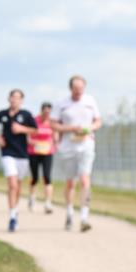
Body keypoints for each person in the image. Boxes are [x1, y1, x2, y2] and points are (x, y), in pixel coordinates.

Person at [53, 76, 101, 232]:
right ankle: (69, 212)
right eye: (76, 88)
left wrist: (90, 128)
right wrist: (71, 128)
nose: (79, 91)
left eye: (81, 88)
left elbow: (98, 121)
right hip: (68, 146)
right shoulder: (61, 103)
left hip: (86, 144)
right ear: (71, 88)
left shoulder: (90, 101)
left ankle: (84, 217)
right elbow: (53, 124)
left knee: (85, 179)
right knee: (70, 182)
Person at [0, 89, 37, 232]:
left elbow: (35, 130)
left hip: (22, 154)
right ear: (8, 99)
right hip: (7, 153)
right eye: (12, 97)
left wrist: (22, 129)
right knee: (12, 184)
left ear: (21, 100)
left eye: (17, 98)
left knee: (17, 185)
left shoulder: (26, 115)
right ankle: (11, 217)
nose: (14, 100)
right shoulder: (2, 114)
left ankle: (15, 210)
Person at [27, 101, 56, 213]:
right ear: (41, 111)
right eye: (45, 112)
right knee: (35, 178)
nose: (47, 114)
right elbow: (28, 138)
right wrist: (35, 143)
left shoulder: (52, 123)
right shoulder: (34, 121)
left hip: (47, 153)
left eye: (49, 112)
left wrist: (54, 141)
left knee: (47, 177)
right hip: (34, 152)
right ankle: (32, 197)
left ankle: (48, 203)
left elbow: (55, 136)